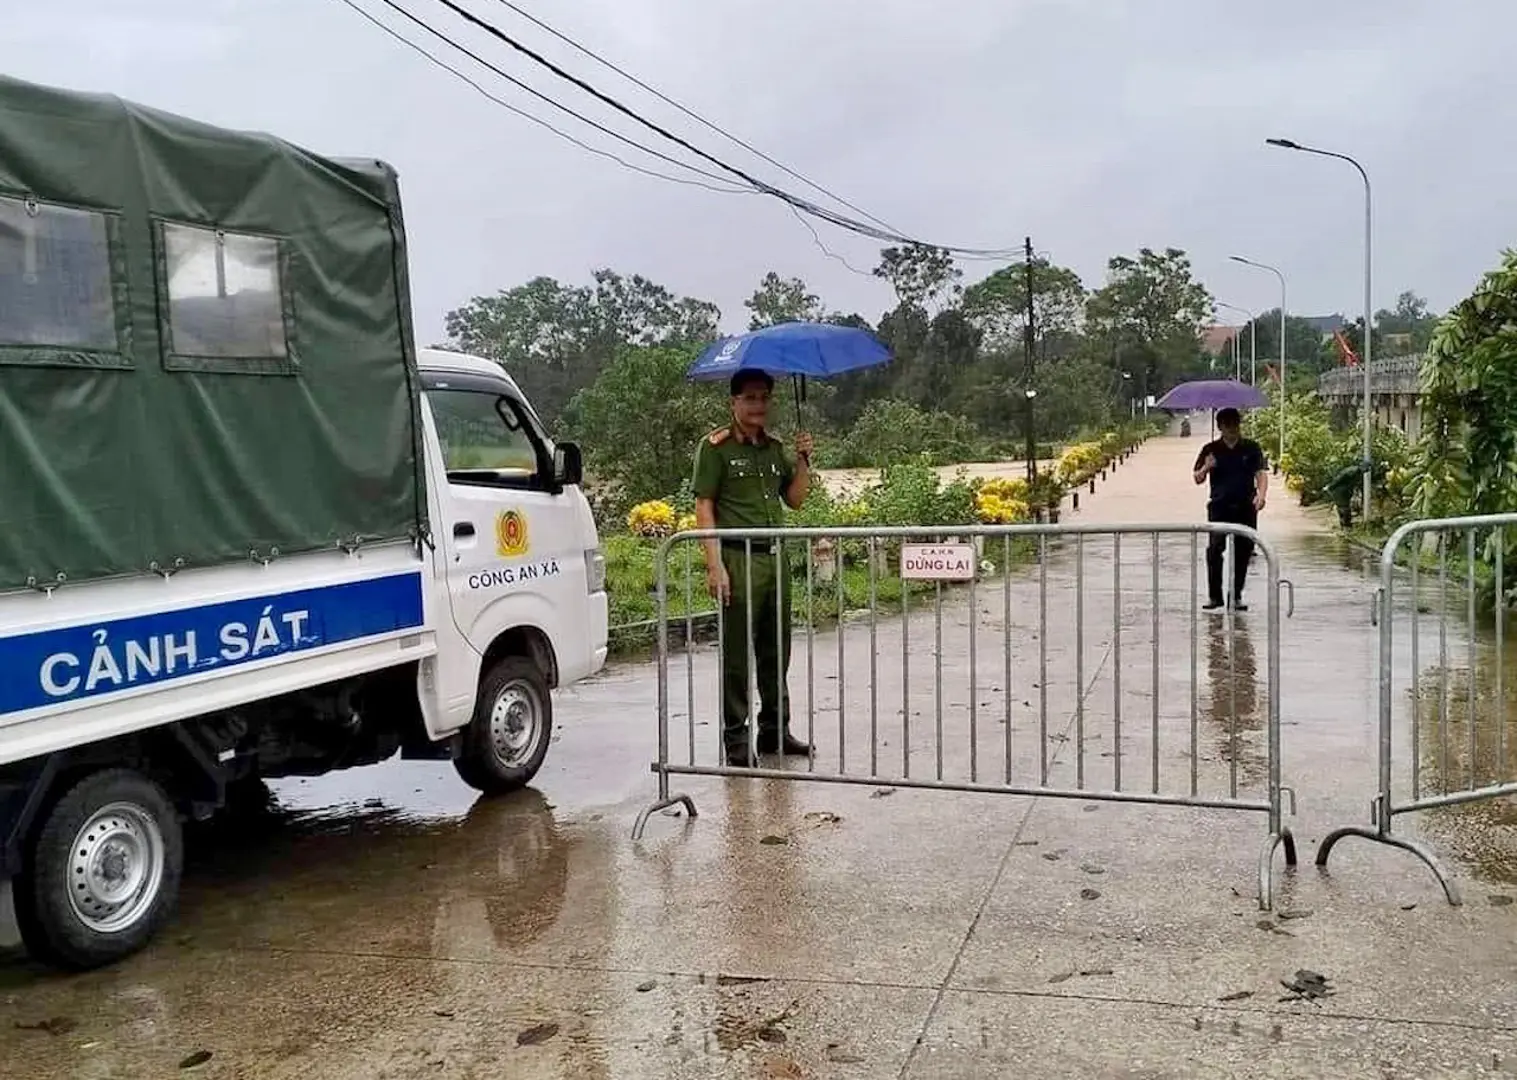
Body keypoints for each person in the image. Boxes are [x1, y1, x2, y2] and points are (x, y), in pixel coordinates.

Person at [692, 368, 815, 767]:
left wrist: (802, 461)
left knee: (776, 650)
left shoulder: (774, 448)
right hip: (737, 558)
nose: (759, 404)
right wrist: (714, 565)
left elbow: (794, 500)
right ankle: (736, 739)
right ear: (734, 402)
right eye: (750, 398)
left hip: (774, 558)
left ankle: (775, 732)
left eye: (764, 397)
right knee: (738, 652)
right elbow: (704, 506)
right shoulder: (715, 447)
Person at [1192, 407, 1268, 611]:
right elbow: (1197, 478)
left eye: (1235, 424)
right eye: (1228, 425)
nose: (1232, 429)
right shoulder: (1210, 449)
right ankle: (1215, 596)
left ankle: (1235, 596)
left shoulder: (1251, 448)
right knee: (1215, 550)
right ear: (1220, 427)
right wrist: (1207, 467)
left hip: (1245, 506)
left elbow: (1260, 473)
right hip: (1219, 506)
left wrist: (1261, 495)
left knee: (1244, 552)